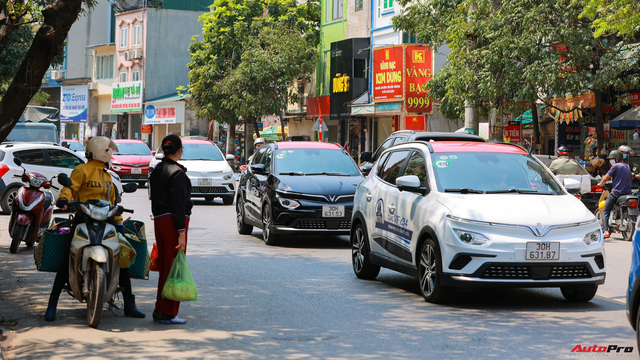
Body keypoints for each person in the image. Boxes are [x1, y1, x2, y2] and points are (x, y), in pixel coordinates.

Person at [45, 137, 145, 321]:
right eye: (110, 151)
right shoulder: (82, 170)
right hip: (83, 219)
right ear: (104, 152)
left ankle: (130, 304)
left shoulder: (109, 176)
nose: (111, 155)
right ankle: (52, 305)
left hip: (107, 222)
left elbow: (114, 203)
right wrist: (64, 199)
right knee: (67, 257)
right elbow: (70, 187)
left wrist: (119, 224)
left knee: (120, 258)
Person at [149, 135, 193, 324]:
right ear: (179, 150)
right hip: (173, 223)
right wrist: (181, 233)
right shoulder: (177, 173)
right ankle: (168, 312)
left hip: (160, 220)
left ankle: (160, 309)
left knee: (166, 267)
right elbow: (178, 206)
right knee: (173, 268)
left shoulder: (157, 169)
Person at [598, 150, 633, 239]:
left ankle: (606, 231)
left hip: (617, 193)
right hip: (628, 193)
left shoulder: (616, 166)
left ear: (616, 159)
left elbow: (606, 177)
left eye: (612, 158)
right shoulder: (627, 166)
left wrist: (601, 184)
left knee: (605, 211)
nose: (611, 160)